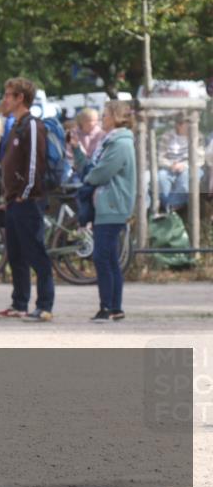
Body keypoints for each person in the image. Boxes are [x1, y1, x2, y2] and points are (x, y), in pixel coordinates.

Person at [0, 77, 55, 322]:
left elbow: (33, 165)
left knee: (36, 253)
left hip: (27, 201)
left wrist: (24, 195)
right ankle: (19, 303)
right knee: (16, 254)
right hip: (13, 200)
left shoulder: (31, 125)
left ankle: (45, 305)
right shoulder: (15, 125)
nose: (3, 100)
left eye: (8, 95)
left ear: (20, 98)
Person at [83, 101, 136, 322]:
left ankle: (107, 307)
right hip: (107, 205)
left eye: (105, 115)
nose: (103, 119)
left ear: (115, 117)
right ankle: (115, 307)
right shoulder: (112, 142)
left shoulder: (120, 144)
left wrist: (89, 178)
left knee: (102, 257)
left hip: (112, 206)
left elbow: (102, 172)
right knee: (110, 258)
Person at [158, 113, 205, 211]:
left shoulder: (198, 136)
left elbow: (200, 159)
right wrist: (171, 165)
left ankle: (170, 207)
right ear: (178, 125)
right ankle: (170, 208)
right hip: (170, 167)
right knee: (161, 177)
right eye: (186, 123)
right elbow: (160, 158)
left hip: (190, 167)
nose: (189, 126)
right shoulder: (167, 136)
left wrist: (184, 165)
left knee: (186, 179)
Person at [66, 107, 103, 174]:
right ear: (81, 121)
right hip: (77, 169)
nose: (93, 123)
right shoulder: (73, 133)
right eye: (90, 120)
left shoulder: (101, 133)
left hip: (96, 169)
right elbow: (68, 153)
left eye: (96, 120)